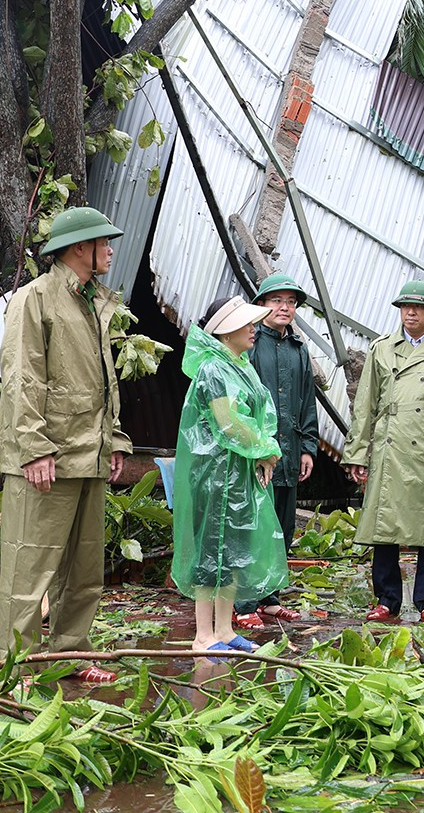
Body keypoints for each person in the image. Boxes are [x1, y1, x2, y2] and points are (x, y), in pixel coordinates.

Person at [0, 206, 131, 683]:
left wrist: (114, 439)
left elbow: (101, 380)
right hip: (46, 456)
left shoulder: (93, 302)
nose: (111, 249)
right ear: (79, 249)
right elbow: (21, 378)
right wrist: (33, 447)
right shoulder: (34, 299)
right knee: (28, 568)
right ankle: (18, 667)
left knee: (86, 569)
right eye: (104, 242)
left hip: (87, 454)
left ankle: (70, 655)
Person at [343, 280, 424, 624]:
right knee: (384, 526)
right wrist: (357, 452)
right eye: (404, 306)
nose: (410, 313)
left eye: (418, 307)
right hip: (389, 447)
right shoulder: (381, 349)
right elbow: (365, 403)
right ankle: (387, 600)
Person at [171, 295, 289, 654]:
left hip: (238, 473)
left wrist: (262, 454)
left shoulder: (239, 364)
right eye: (246, 323)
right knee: (211, 556)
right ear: (225, 331)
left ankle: (224, 630)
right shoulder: (214, 369)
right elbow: (228, 424)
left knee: (233, 554)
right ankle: (203, 635)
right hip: (216, 475)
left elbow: (255, 416)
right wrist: (266, 450)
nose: (254, 328)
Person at [234, 272, 319, 629]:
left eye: (291, 302)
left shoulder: (299, 351)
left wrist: (308, 447)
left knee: (282, 527)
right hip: (258, 455)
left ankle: (270, 598)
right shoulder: (251, 344)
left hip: (289, 452)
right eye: (276, 301)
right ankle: (244, 602)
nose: (284, 308)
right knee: (254, 525)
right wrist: (254, 448)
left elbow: (307, 404)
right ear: (262, 305)